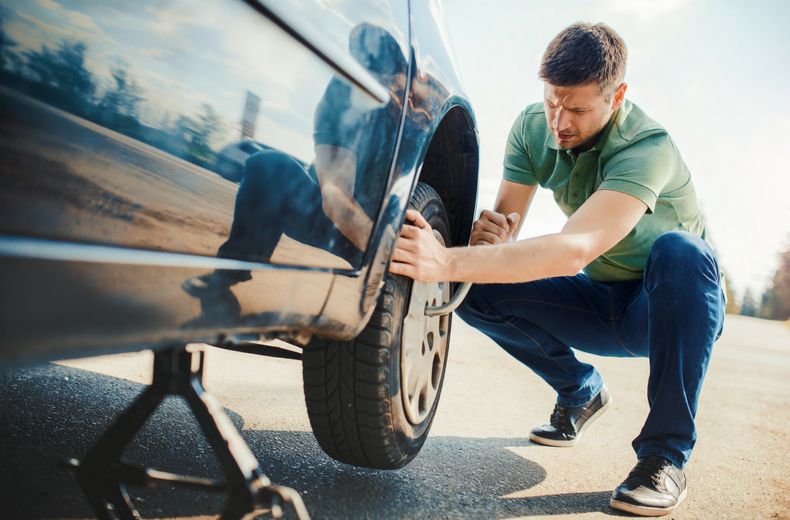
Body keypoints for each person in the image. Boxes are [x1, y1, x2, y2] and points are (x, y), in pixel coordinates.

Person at [388, 22, 725, 517]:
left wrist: (443, 258)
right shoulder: (533, 127)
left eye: (578, 108)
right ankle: (579, 390)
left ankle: (664, 457)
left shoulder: (647, 149)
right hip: (599, 301)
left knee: (682, 252)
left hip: (664, 309)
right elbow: (507, 225)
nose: (560, 122)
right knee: (474, 286)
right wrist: (488, 242)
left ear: (617, 95)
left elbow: (573, 249)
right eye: (552, 102)